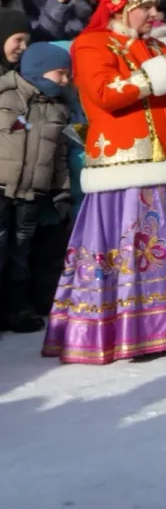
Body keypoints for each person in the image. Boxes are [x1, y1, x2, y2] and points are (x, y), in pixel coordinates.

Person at [42, 0, 166, 363]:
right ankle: (126, 329)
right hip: (123, 160)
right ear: (123, 7)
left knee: (161, 243)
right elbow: (104, 94)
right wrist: (162, 71)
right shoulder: (90, 44)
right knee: (128, 245)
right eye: (147, 7)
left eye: (155, 6)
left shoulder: (153, 45)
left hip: (165, 160)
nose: (155, 13)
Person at [0, 43, 70, 333]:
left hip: (31, 195)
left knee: (20, 252)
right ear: (40, 71)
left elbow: (60, 157)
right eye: (60, 74)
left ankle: (17, 308)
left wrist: (62, 192)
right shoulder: (5, 97)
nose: (66, 81)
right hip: (1, 190)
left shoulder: (58, 108)